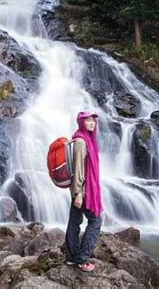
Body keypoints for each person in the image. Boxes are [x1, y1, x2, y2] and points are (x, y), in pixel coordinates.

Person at [64, 111, 103, 272]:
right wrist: (79, 193)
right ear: (81, 123)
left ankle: (71, 258)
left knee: (74, 222)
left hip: (80, 189)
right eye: (87, 120)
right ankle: (82, 259)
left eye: (93, 120)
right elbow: (79, 169)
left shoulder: (86, 140)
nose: (92, 123)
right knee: (96, 221)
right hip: (83, 191)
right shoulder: (80, 141)